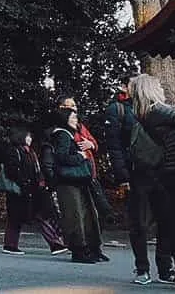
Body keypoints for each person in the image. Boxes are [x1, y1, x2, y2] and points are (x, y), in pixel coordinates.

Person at [106, 75, 175, 285]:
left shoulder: (159, 111)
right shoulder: (121, 110)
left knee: (166, 220)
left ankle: (163, 268)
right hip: (139, 173)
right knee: (140, 223)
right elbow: (115, 146)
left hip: (159, 171)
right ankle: (143, 268)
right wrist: (122, 176)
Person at [133, 73, 175, 291]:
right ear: (151, 89)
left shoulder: (143, 114)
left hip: (168, 171)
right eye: (158, 85)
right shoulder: (158, 111)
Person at [42, 107, 104, 264]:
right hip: (69, 181)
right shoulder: (63, 135)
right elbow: (62, 157)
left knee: (79, 214)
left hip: (70, 181)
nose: (76, 120)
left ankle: (84, 249)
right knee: (76, 215)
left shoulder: (62, 134)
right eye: (73, 117)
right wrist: (80, 156)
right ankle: (80, 250)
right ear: (65, 119)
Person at [0, 127, 66, 256]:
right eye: (28, 136)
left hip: (32, 191)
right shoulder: (15, 151)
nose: (30, 139)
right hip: (20, 192)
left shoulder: (30, 152)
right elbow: (12, 171)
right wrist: (24, 183)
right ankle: (10, 245)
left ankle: (55, 243)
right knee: (17, 218)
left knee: (39, 216)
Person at [59, 95, 111, 219]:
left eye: (74, 105)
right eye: (70, 105)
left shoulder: (80, 126)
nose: (74, 108)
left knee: (98, 205)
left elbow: (95, 144)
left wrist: (91, 144)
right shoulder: (63, 131)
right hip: (77, 172)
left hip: (89, 170)